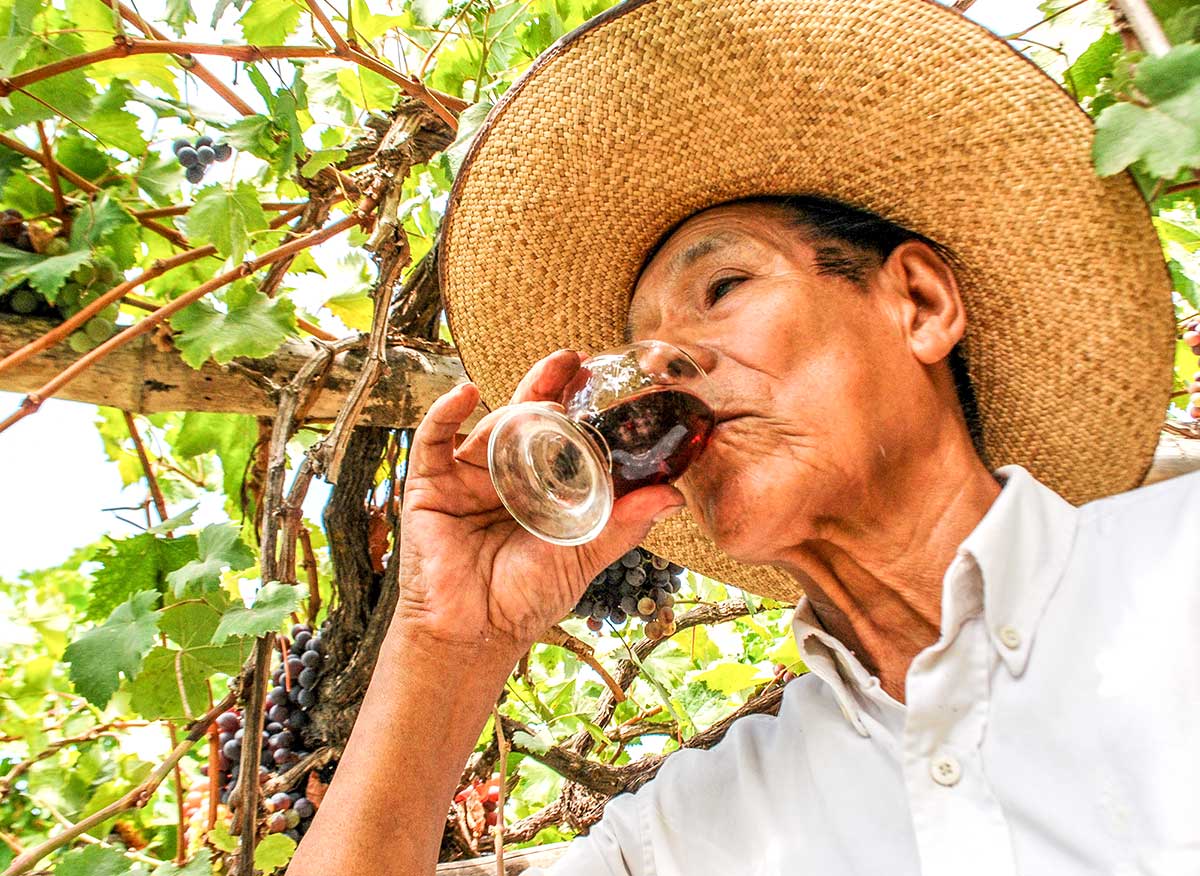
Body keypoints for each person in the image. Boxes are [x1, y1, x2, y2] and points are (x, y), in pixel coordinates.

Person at [289, 1, 1199, 874]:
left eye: (722, 288)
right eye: (638, 359)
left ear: (919, 304)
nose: (664, 365)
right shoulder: (696, 831)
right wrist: (447, 643)